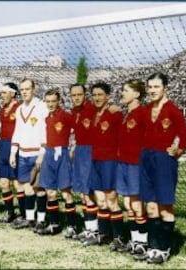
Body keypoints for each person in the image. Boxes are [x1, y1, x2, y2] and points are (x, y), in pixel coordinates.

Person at [136, 72, 186, 264]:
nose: (152, 91)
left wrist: (177, 150)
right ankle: (153, 247)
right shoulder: (146, 109)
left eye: (156, 87)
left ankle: (164, 249)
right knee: (150, 206)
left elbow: (185, 138)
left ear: (165, 88)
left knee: (164, 206)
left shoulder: (173, 110)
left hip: (163, 160)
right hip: (146, 158)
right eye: (149, 87)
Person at [83, 82, 124, 250]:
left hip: (110, 161)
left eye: (100, 94)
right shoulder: (92, 113)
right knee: (100, 200)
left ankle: (119, 238)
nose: (97, 98)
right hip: (95, 160)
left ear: (108, 96)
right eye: (94, 95)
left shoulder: (115, 114)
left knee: (111, 199)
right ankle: (104, 235)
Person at [36, 89, 76, 238]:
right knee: (50, 192)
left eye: (53, 101)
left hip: (63, 154)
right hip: (49, 154)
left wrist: (73, 148)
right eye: (48, 101)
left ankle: (71, 226)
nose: (51, 104)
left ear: (59, 101)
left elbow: (78, 131)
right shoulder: (47, 118)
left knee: (66, 193)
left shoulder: (66, 117)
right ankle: (54, 224)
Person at [9, 78, 48, 231]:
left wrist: (42, 153)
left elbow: (46, 131)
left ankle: (42, 220)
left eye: (27, 89)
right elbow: (17, 131)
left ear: (34, 89)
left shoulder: (41, 107)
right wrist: (13, 153)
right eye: (22, 90)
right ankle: (30, 219)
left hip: (37, 153)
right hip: (23, 153)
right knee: (26, 186)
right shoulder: (19, 109)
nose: (24, 92)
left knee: (39, 188)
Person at [116, 79, 148, 253]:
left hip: (136, 164)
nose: (122, 93)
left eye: (126, 90)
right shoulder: (125, 113)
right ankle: (135, 240)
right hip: (123, 163)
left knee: (136, 204)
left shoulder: (143, 113)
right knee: (128, 203)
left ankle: (142, 243)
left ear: (136, 94)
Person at [68, 83, 99, 243]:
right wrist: (73, 148)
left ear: (85, 94)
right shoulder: (74, 112)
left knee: (88, 193)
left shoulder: (93, 110)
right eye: (73, 95)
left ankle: (95, 230)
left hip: (91, 152)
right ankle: (89, 228)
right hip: (80, 151)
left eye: (79, 94)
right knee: (81, 192)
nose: (76, 98)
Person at [0, 83, 24, 224]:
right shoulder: (2, 109)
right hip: (3, 146)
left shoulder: (20, 109)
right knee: (3, 182)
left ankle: (24, 215)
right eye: (1, 93)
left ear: (12, 94)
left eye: (4, 92)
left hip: (15, 147)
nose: (2, 95)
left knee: (17, 183)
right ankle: (10, 213)